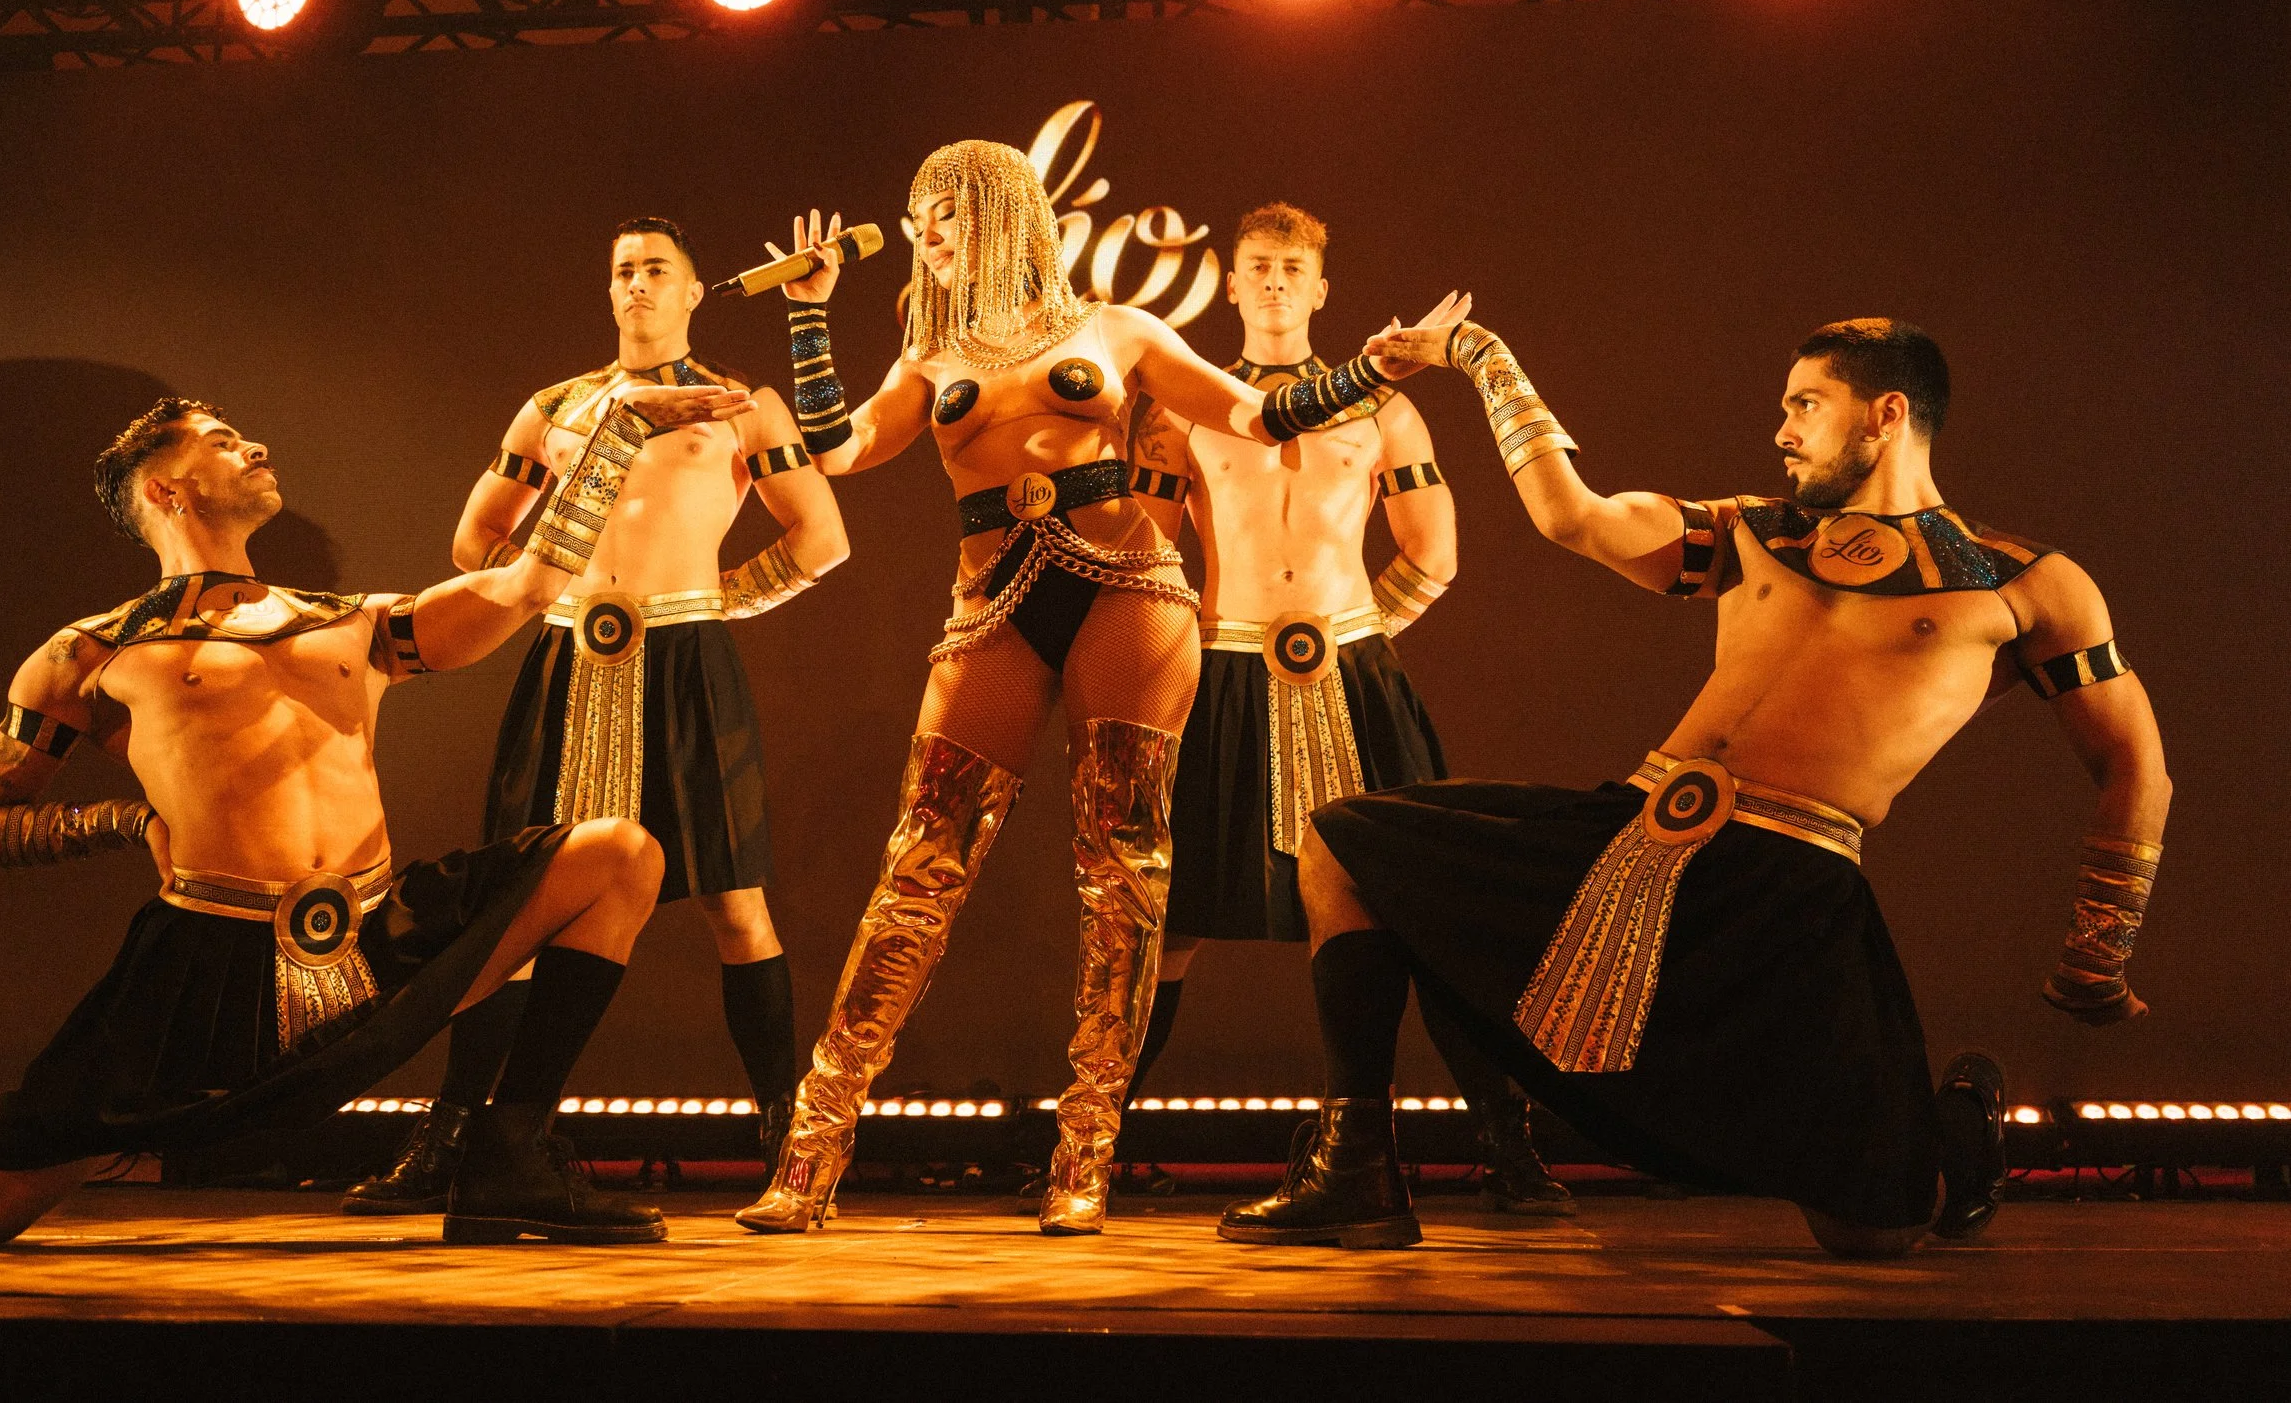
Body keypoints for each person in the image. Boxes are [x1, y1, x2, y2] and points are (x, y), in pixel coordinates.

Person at [1220, 312, 2169, 1255]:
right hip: (1632, 837)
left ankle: (1961, 1128)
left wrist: (2100, 949)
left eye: (1807, 404)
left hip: (1794, 895)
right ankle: (1355, 1166)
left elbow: (2133, 762)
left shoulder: (2024, 584)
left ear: (1885, 414)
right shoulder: (1749, 532)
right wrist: (1479, 356)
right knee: (1345, 838)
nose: (1782, 430)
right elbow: (1573, 517)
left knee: (1874, 1232)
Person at [0, 381, 749, 1248]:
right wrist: (123, 824)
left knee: (619, 852)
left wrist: (616, 436)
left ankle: (511, 1151)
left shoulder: (354, 621)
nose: (253, 447)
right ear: (165, 491)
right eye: (221, 439)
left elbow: (528, 585)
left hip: (375, 946)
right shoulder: (91, 653)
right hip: (200, 981)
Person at [734, 143, 1451, 1236]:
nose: (927, 229)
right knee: (918, 866)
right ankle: (811, 1149)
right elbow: (834, 447)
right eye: (917, 212)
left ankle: (1085, 1159)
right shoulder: (928, 351)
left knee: (1123, 873)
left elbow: (1255, 415)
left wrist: (1370, 372)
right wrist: (809, 315)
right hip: (992, 601)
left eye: (947, 210)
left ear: (1005, 212)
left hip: (1127, 585)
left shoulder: (1116, 329)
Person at [344, 219, 847, 1215]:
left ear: (695, 291)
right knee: (517, 909)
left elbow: (822, 538)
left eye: (657, 268)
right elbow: (472, 542)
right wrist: (552, 588)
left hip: (687, 658)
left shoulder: (740, 406)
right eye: (622, 270)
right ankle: (455, 1136)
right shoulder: (556, 409)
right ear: (606, 290)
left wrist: (705, 604)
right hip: (569, 654)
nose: (637, 284)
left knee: (734, 903)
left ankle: (789, 1147)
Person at [1124, 203, 1573, 1217]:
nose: (1275, 281)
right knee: (1168, 915)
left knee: (1420, 913)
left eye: (1292, 266)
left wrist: (1359, 636)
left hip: (1352, 666)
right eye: (1257, 266)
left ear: (1321, 286)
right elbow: (1149, 557)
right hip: (1225, 667)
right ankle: (1090, 1136)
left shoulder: (1384, 413)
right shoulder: (1180, 411)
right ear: (1228, 283)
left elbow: (1433, 552)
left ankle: (1510, 1146)